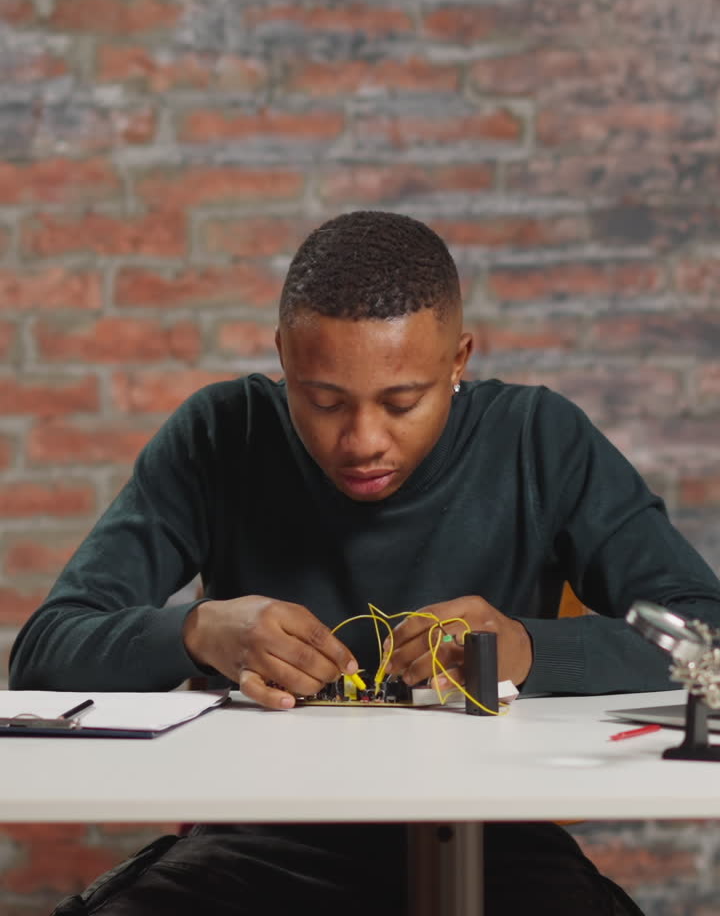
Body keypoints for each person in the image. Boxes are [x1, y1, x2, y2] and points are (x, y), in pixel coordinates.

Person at [10, 211, 720, 916]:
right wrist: (196, 632)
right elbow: (45, 652)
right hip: (259, 839)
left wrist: (528, 648)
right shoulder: (222, 435)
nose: (362, 441)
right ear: (283, 356)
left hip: (496, 840)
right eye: (323, 401)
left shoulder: (538, 438)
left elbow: (707, 633)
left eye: (401, 401)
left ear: (458, 360)